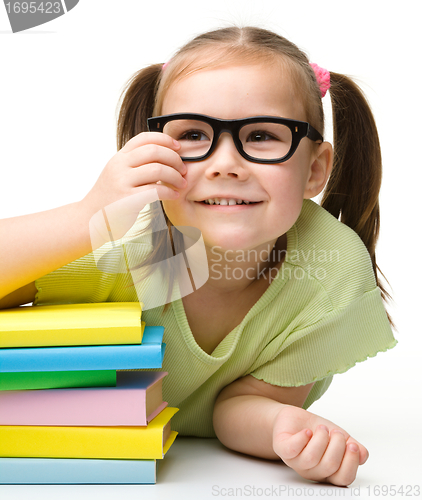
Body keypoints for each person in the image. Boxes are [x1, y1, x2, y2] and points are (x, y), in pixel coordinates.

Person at [0, 26, 397, 486]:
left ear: (315, 170)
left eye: (263, 135)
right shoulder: (133, 245)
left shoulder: (329, 266)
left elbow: (238, 406)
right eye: (192, 133)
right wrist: (86, 215)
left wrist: (281, 428)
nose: (225, 163)